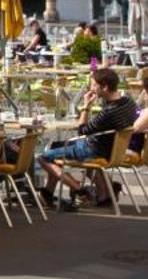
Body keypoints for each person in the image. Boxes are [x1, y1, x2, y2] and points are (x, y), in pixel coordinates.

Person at [40, 68, 137, 207]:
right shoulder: (129, 103)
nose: (90, 88)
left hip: (93, 149)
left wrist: (86, 105)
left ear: (104, 87)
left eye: (93, 85)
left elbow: (82, 130)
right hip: (112, 150)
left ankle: (78, 190)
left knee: (44, 157)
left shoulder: (109, 111)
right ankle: (49, 193)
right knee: (56, 147)